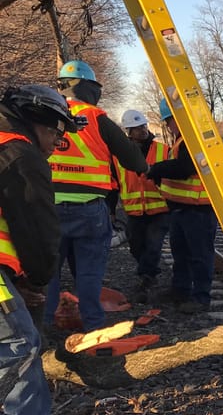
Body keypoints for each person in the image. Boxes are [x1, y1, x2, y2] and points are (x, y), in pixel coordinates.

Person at [0, 84, 85, 415]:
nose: (56, 142)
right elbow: (37, 228)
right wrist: (38, 279)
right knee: (18, 344)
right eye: (55, 132)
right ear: (37, 122)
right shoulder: (20, 152)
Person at [44, 60, 147, 332]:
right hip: (89, 210)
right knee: (89, 274)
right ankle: (94, 330)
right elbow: (134, 160)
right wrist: (145, 166)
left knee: (47, 274)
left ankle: (42, 332)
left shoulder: (42, 114)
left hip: (47, 209)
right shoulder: (96, 118)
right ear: (89, 87)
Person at [145, 98, 217, 314]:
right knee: (181, 254)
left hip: (198, 209)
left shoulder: (192, 140)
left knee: (200, 255)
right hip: (182, 209)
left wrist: (156, 169)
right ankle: (181, 290)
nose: (168, 125)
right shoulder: (181, 140)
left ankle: (201, 298)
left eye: (169, 120)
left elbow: (185, 167)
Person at [117, 109, 171, 303]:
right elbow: (115, 181)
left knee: (154, 246)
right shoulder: (119, 155)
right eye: (137, 128)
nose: (142, 130)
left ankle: (147, 278)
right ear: (128, 132)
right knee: (136, 246)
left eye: (143, 126)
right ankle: (148, 274)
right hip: (134, 209)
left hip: (160, 207)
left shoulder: (163, 150)